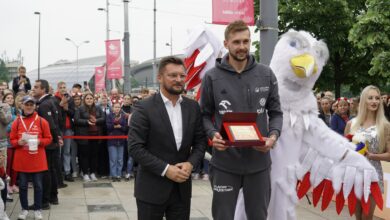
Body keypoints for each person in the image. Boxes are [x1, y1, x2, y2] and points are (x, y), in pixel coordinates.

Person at [200, 20, 283, 220]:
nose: (242, 47)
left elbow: (276, 112)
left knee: (258, 216)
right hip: (225, 162)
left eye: (246, 41)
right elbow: (204, 115)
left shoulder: (266, 74)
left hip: (258, 162)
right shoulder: (211, 77)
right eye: (236, 42)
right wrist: (212, 135)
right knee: (223, 216)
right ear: (226, 43)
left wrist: (272, 137)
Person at [128, 56, 207, 220]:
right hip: (151, 189)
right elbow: (135, 148)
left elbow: (200, 142)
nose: (178, 80)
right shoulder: (143, 107)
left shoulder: (192, 107)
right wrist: (166, 169)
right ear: (159, 77)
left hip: (182, 190)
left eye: (182, 76)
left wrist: (190, 163)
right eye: (172, 75)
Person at [344, 85, 390, 220]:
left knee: (366, 217)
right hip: (354, 175)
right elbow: (344, 151)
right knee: (357, 217)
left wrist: (372, 155)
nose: (374, 101)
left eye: (377, 98)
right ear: (364, 101)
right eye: (370, 98)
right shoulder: (351, 124)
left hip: (373, 175)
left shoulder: (385, 126)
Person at [10, 96, 52, 220]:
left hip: (37, 159)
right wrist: (18, 142)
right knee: (22, 186)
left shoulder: (41, 121)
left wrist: (40, 141)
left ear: (35, 106)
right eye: (26, 104)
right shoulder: (17, 121)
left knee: (38, 185)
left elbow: (49, 138)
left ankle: (38, 209)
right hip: (22, 160)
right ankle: (24, 209)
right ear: (22, 105)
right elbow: (12, 140)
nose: (29, 107)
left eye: (31, 105)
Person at [32, 79, 63, 209]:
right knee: (52, 170)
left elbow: (50, 125)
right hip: (53, 141)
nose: (33, 89)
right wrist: (58, 137)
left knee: (46, 172)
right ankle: (53, 197)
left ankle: (45, 201)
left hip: (49, 143)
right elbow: (58, 121)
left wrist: (56, 138)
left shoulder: (44, 104)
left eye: (36, 87)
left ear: (43, 89)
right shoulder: (52, 101)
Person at [74, 93, 105, 182]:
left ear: (93, 99)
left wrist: (97, 120)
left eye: (91, 98)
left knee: (94, 155)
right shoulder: (80, 109)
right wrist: (87, 122)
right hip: (84, 136)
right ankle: (85, 173)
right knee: (84, 155)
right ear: (84, 99)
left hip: (96, 135)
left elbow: (103, 118)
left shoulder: (98, 108)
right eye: (87, 98)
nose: (89, 100)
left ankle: (92, 173)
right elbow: (76, 120)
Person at [106, 102, 128, 181]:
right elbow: (107, 127)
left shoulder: (124, 116)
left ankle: (119, 174)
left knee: (120, 159)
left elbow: (126, 128)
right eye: (115, 107)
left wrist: (120, 126)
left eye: (118, 107)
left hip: (121, 140)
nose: (117, 108)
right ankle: (113, 175)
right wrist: (114, 125)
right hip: (112, 140)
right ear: (112, 108)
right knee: (113, 159)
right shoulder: (109, 116)